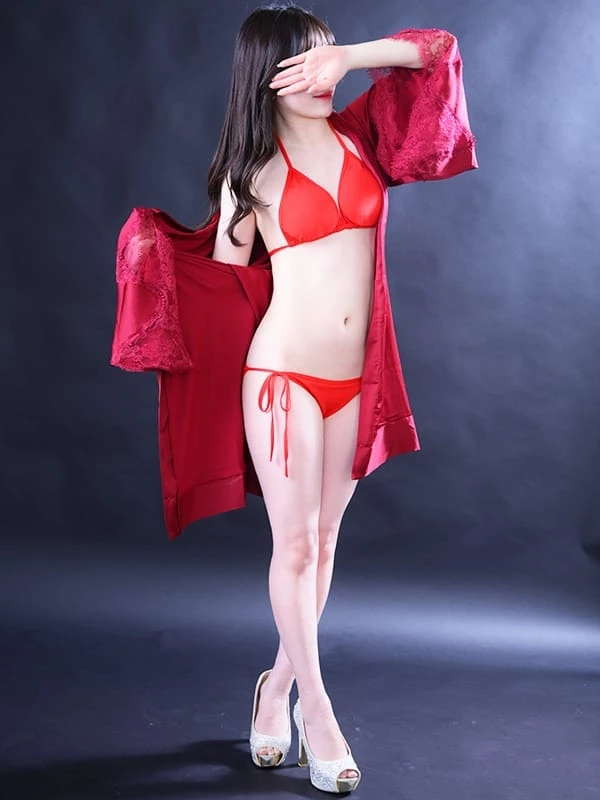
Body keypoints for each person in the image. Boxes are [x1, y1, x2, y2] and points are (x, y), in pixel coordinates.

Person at [203, 2, 476, 794]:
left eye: (325, 58)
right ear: (267, 76)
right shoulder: (248, 176)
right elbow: (222, 294)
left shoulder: (363, 136)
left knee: (323, 546)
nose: (322, 73)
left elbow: (437, 52)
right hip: (281, 378)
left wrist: (351, 55)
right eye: (305, 62)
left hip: (356, 378)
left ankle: (275, 689)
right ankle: (318, 714)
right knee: (294, 547)